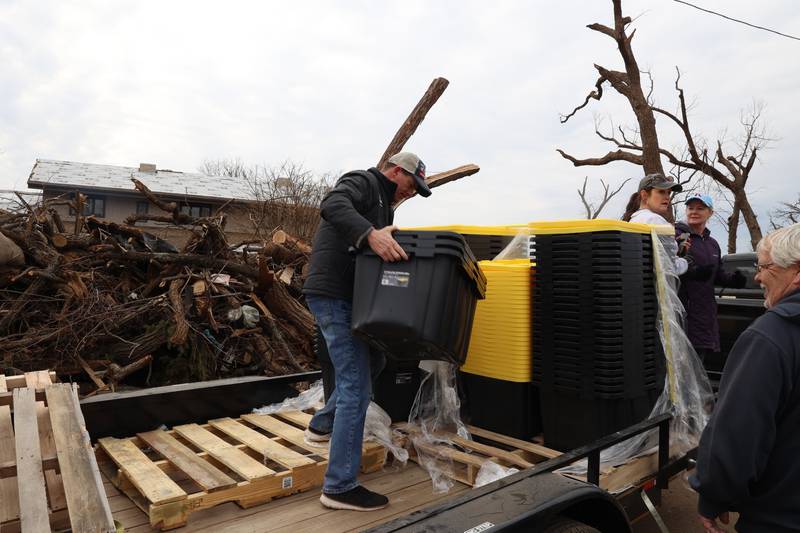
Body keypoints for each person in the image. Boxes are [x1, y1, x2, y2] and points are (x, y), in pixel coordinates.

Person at [301, 152, 432, 511]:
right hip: (333, 295)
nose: (411, 192)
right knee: (356, 386)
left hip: (353, 299)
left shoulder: (385, 208)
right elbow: (332, 204)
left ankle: (321, 425)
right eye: (411, 184)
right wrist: (370, 235)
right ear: (396, 171)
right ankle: (339, 487)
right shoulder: (363, 181)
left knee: (374, 362)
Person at [690, 223, 800, 533]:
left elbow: (738, 433)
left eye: (764, 267)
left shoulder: (771, 338)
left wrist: (714, 495)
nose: (758, 277)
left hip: (779, 519)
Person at [675, 194, 746, 362]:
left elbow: (716, 273)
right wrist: (692, 271)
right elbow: (668, 267)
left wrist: (732, 280)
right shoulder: (676, 235)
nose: (694, 212)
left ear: (710, 213)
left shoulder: (712, 243)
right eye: (690, 208)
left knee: (699, 365)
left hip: (705, 314)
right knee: (682, 367)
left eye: (700, 208)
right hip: (683, 313)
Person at [622, 173, 688, 275]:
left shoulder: (634, 219)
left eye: (668, 193)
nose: (667, 197)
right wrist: (685, 261)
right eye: (661, 192)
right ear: (644, 195)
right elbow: (670, 267)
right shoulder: (656, 221)